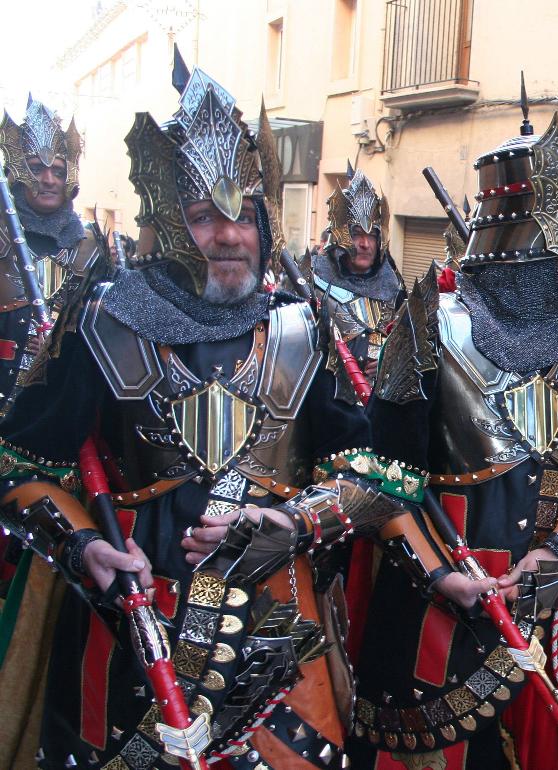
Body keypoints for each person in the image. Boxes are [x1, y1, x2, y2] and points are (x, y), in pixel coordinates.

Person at [0, 61, 456, 768]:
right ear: (167, 219)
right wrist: (81, 544)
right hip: (131, 632)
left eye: (242, 213)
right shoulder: (99, 324)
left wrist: (296, 520)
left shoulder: (303, 330)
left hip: (278, 640)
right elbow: (18, 465)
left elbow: (376, 472)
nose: (228, 235)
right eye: (204, 215)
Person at [350, 107, 558, 769]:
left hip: (553, 618)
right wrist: (438, 573)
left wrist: (555, 555)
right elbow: (382, 487)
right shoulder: (430, 324)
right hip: (433, 629)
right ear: (526, 225)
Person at [0, 96, 104, 415]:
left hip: (57, 410)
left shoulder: (92, 246)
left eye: (57, 171)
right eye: (36, 168)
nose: (48, 180)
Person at [312, 165, 405, 399]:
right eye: (357, 235)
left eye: (371, 236)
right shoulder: (313, 279)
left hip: (377, 399)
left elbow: (404, 344)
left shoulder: (394, 287)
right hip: (326, 396)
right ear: (342, 235)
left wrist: (389, 360)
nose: (365, 244)